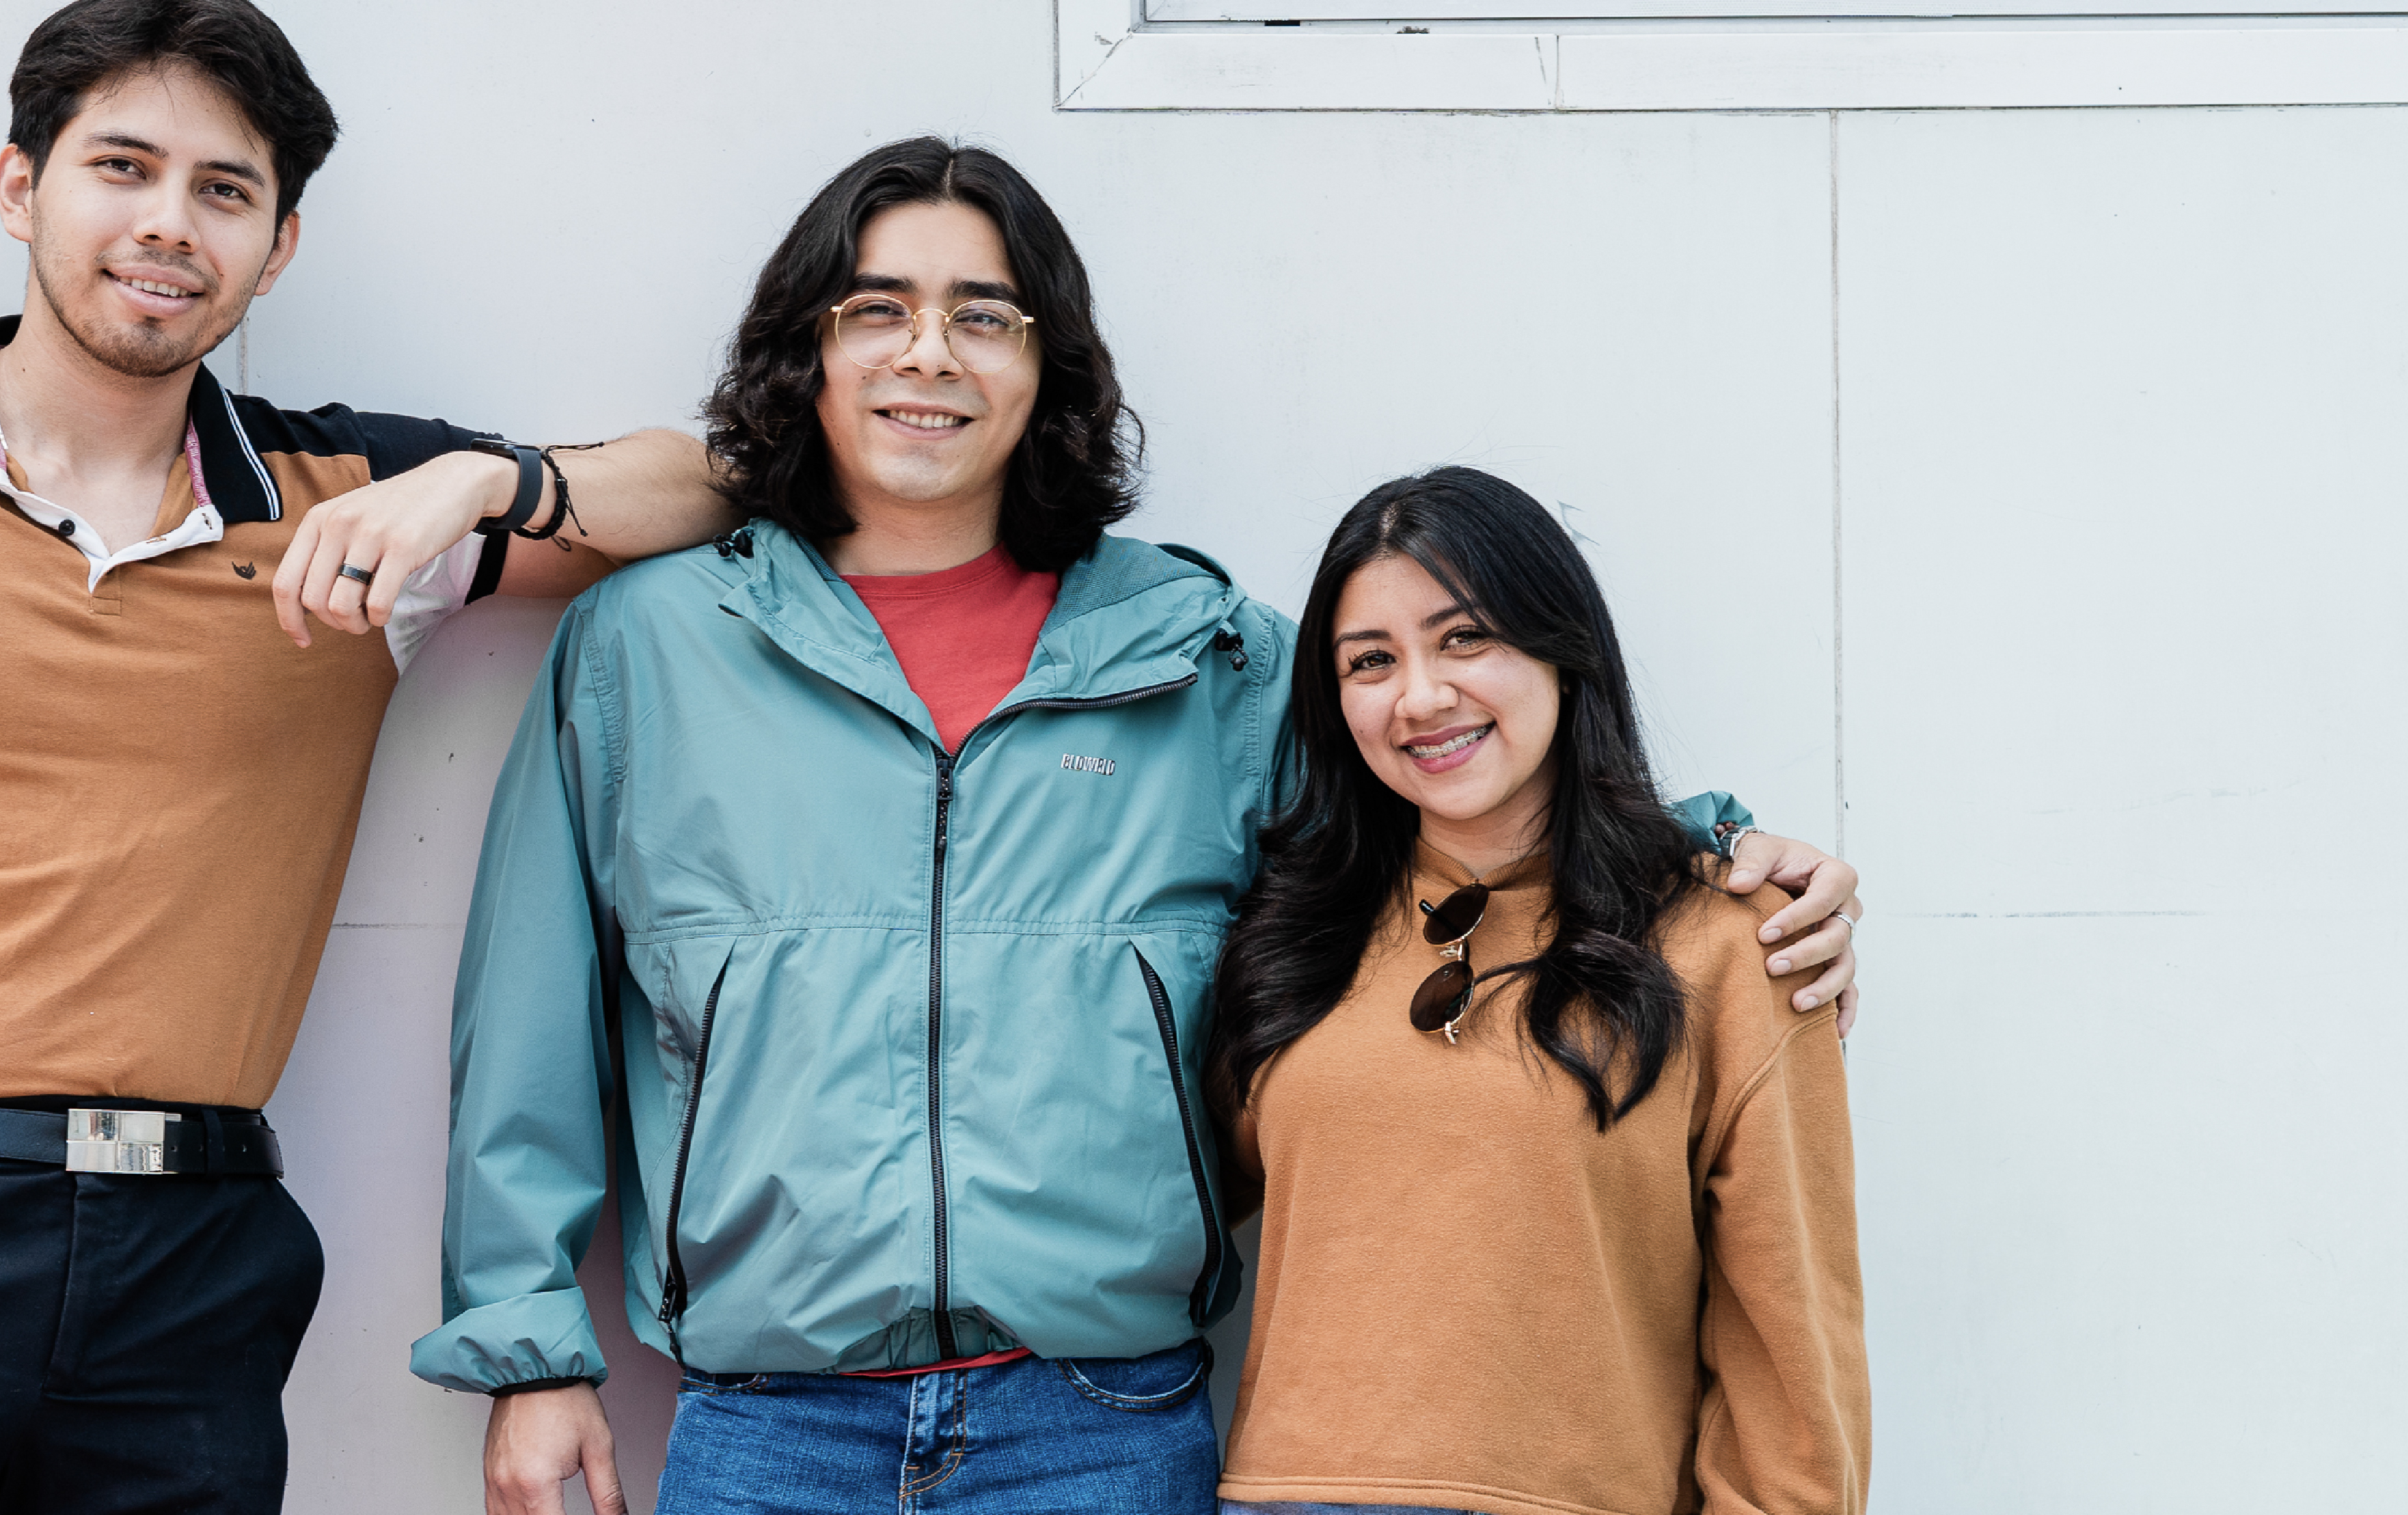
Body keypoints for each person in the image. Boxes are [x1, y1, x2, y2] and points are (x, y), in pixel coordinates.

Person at [417, 138, 1865, 1515]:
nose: (929, 353)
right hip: (763, 1421)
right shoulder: (646, 649)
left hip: (1097, 1429)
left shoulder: (1205, 657)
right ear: (809, 352)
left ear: (1046, 369)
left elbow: (1447, 785)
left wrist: (1704, 851)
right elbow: (528, 1022)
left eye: (983, 316)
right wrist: (527, 1350)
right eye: (878, 311)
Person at [0, 2, 739, 1507]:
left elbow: (727, 486)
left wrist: (476, 481)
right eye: (120, 166)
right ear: (19, 185)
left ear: (277, 245)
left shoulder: (348, 507)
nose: (167, 225)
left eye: (222, 190)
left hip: (193, 1253)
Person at [1209, 467, 1869, 1515]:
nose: (1420, 696)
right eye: (1370, 661)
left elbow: (1789, 1349)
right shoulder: (1292, 936)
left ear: (1565, 650)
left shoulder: (1731, 944)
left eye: (1464, 638)